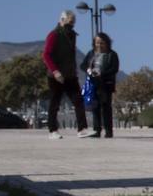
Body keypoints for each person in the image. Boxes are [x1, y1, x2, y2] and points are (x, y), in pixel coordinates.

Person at [42, 10, 87, 138]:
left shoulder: (72, 35)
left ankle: (82, 129)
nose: (71, 25)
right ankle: (52, 131)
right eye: (69, 22)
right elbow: (46, 55)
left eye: (73, 22)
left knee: (78, 101)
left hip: (70, 75)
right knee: (55, 103)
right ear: (61, 20)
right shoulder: (54, 34)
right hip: (56, 76)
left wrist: (73, 70)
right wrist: (55, 71)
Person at [81, 32, 119, 138]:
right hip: (93, 84)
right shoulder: (91, 53)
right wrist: (89, 70)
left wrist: (102, 73)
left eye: (102, 43)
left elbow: (114, 69)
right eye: (97, 42)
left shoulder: (112, 54)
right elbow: (83, 65)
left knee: (106, 108)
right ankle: (96, 130)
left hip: (106, 84)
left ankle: (108, 131)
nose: (99, 45)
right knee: (95, 108)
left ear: (107, 43)